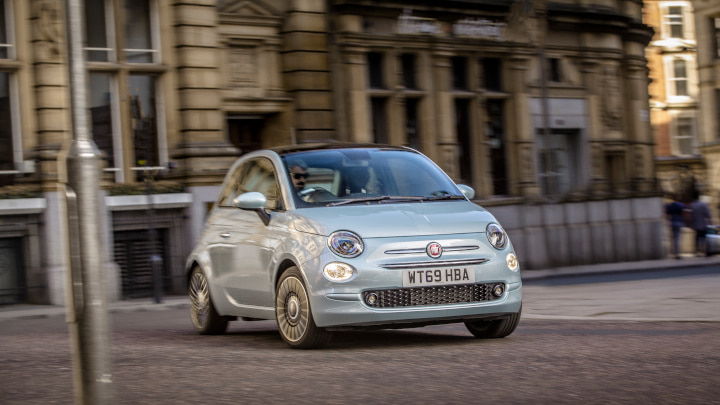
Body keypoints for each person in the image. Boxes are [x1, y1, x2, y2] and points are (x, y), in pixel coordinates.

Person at [688, 191, 711, 256]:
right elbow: (707, 214)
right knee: (704, 238)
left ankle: (697, 251)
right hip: (703, 224)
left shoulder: (692, 205)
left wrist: (690, 224)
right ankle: (705, 251)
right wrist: (710, 222)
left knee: (697, 238)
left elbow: (690, 216)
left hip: (695, 224)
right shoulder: (703, 204)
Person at [665, 194, 685, 259]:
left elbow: (667, 214)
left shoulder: (670, 205)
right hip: (679, 222)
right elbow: (683, 213)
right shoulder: (681, 205)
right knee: (677, 238)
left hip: (672, 222)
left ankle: (672, 252)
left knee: (672, 238)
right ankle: (677, 253)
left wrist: (669, 221)